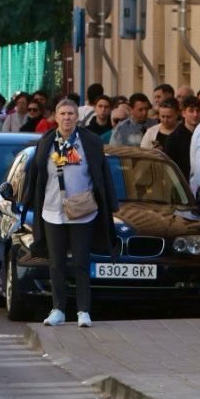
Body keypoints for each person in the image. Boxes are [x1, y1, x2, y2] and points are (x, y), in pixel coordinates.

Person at [19, 98, 120, 328]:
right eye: (62, 114)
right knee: (56, 264)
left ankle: (83, 310)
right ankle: (58, 310)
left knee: (82, 262)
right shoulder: (45, 142)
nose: (66, 118)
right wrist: (28, 204)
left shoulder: (90, 142)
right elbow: (36, 177)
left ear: (77, 117)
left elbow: (101, 175)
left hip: (82, 212)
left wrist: (109, 204)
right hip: (52, 212)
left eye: (71, 114)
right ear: (55, 117)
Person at [143, 98, 193, 175]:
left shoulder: (184, 131)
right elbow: (142, 154)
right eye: (162, 116)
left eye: (169, 117)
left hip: (180, 173)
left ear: (177, 114)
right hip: (157, 173)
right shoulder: (151, 132)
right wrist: (152, 152)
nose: (165, 120)